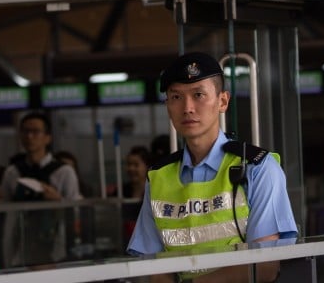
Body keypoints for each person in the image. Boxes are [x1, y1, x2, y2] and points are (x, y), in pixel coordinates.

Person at [127, 52, 297, 282]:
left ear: (222, 101)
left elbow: (264, 266)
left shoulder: (258, 168)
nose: (187, 107)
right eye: (176, 97)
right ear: (167, 105)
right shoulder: (159, 177)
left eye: (198, 95)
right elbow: (153, 266)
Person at [0, 111, 82, 267]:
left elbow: (77, 209)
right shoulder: (12, 173)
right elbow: (7, 216)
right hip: (22, 247)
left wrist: (59, 201)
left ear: (47, 137)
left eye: (36, 132)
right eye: (25, 131)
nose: (30, 137)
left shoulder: (63, 172)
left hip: (56, 248)